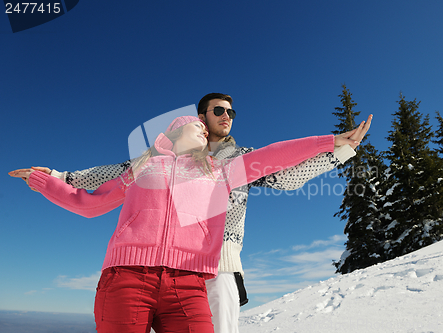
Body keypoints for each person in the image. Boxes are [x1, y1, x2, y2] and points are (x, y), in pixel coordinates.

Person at [10, 93, 372, 333]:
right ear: (192, 122)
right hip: (130, 274)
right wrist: (53, 178)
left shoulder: (229, 165)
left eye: (231, 111)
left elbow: (280, 163)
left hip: (203, 271)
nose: (226, 116)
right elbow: (95, 191)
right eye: (216, 112)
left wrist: (334, 146)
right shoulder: (142, 166)